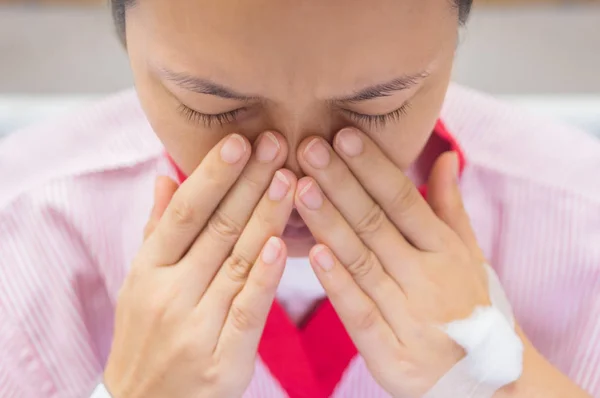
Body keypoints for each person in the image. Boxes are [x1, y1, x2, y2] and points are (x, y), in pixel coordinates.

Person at [1, 0, 599, 397]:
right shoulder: (21, 234)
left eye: (377, 108)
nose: (292, 172)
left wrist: (500, 379)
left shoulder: (582, 217)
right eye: (215, 108)